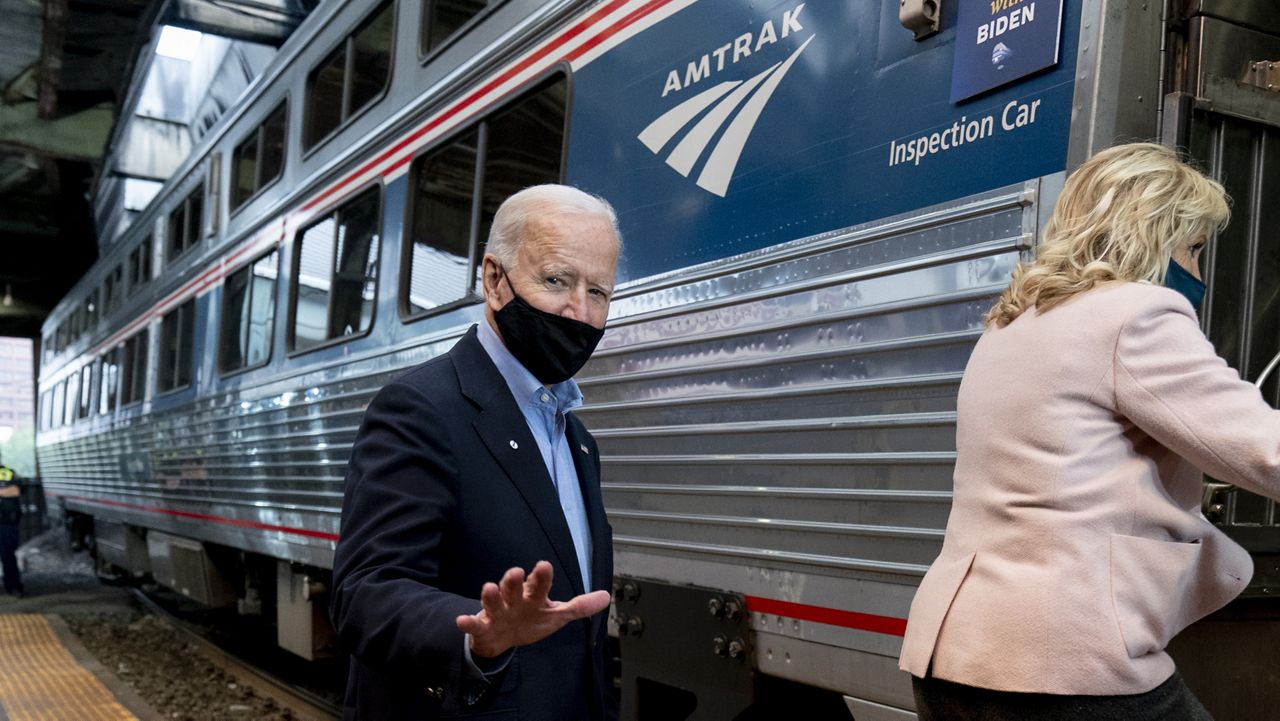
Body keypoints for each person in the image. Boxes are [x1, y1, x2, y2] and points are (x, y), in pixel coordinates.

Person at [898, 143, 1280, 720]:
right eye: (1194, 248)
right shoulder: (1137, 313)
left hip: (955, 659)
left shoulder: (1009, 324)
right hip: (1061, 662)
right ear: (1154, 233)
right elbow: (1264, 450)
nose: (1198, 270)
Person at [331, 184, 621, 721]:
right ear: (494, 280)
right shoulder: (420, 408)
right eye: (557, 280)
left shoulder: (578, 439)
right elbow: (364, 594)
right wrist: (479, 635)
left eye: (599, 291)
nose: (579, 312)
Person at [0, 457, 23, 598]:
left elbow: (16, 490)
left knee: (8, 555)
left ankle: (13, 586)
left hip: (5, 522)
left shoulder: (7, 472)